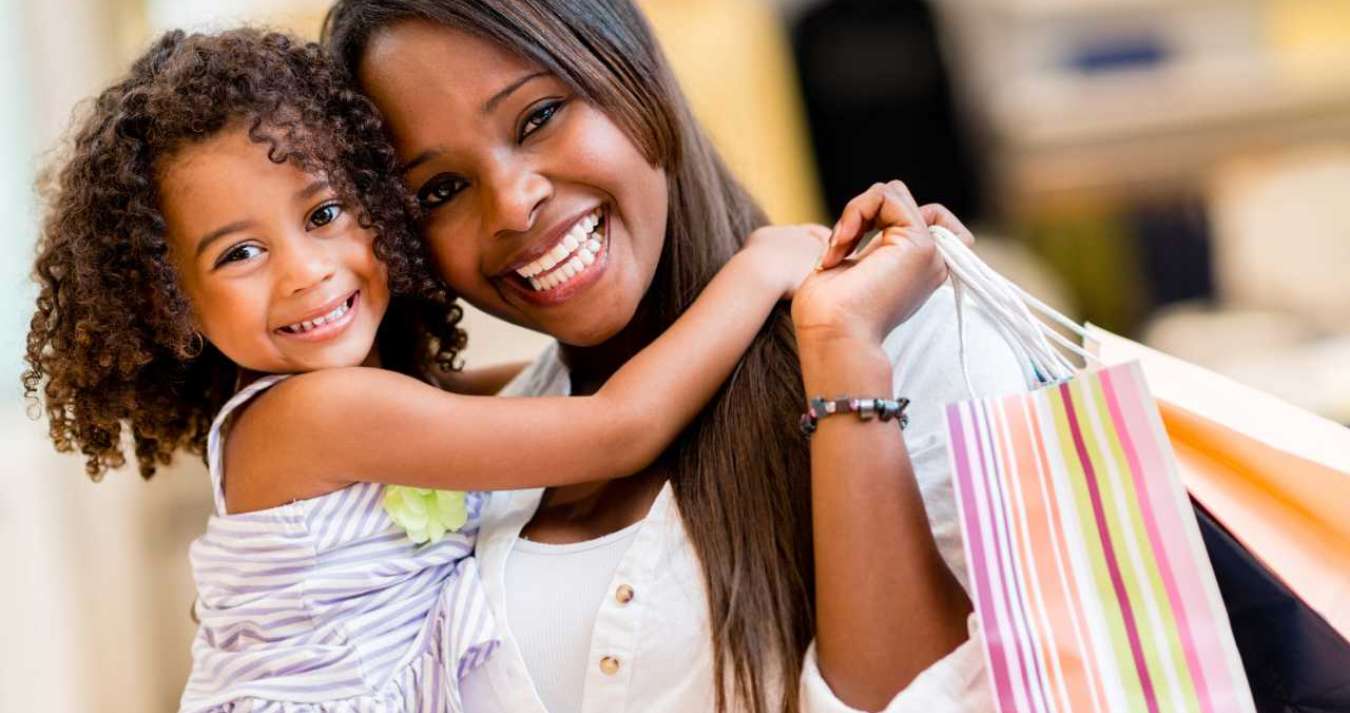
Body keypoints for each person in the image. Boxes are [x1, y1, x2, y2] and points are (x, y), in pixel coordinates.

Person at [23, 27, 832, 712]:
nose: (304, 270)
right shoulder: (310, 420)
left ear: (379, 206)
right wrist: (761, 270)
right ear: (173, 306)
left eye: (324, 213)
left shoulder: (371, 406)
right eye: (239, 253)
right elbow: (614, 425)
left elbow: (547, 383)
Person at [324, 1, 1027, 711]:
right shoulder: (480, 467)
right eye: (440, 189)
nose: (510, 205)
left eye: (537, 117)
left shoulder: (908, 335)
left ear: (636, 74)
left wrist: (843, 354)